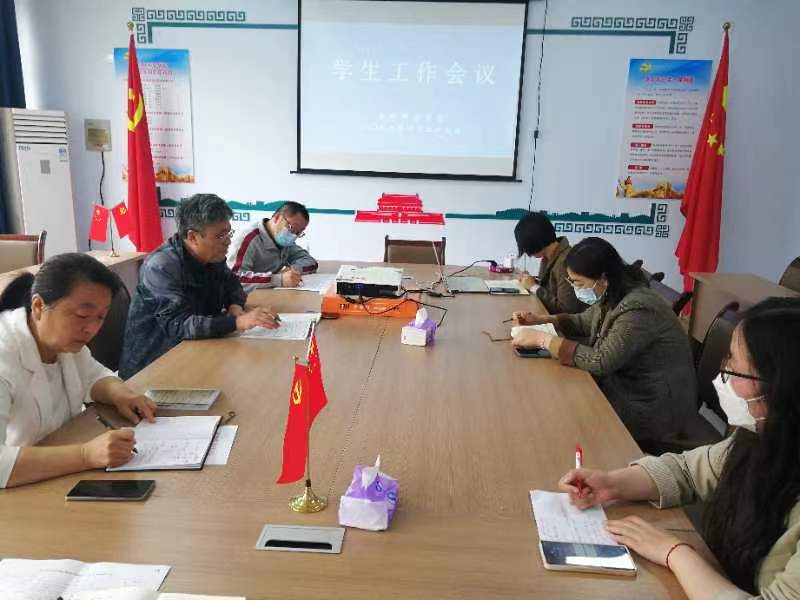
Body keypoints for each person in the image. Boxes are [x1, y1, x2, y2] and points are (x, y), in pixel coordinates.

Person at [557, 298, 800, 600]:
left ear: (781, 389)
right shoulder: (765, 437)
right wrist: (611, 484)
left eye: (735, 369)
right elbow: (686, 470)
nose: (724, 375)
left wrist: (674, 552)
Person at [512, 237, 695, 447]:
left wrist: (543, 340)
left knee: (562, 417)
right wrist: (541, 320)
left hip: (653, 408)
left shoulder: (638, 308)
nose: (575, 288)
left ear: (603, 279)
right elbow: (583, 321)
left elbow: (601, 361)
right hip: (627, 388)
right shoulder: (614, 292)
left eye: (578, 283)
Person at [0, 253, 157, 488]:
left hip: (54, 476)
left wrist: (122, 395)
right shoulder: (5, 352)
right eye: (82, 315)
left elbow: (95, 376)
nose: (91, 329)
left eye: (100, 317)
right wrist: (85, 455)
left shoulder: (62, 342)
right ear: (38, 306)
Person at [118, 193, 279, 379]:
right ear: (193, 237)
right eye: (220, 235)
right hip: (153, 367)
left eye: (229, 232)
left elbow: (232, 285)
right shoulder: (161, 267)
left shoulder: (211, 256)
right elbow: (179, 325)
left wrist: (235, 305)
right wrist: (236, 323)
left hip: (196, 351)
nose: (228, 240)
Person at [227, 201, 318, 292]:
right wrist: (278, 279)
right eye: (291, 228)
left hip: (271, 295)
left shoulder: (286, 241)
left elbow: (312, 262)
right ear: (277, 218)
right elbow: (233, 279)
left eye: (298, 233)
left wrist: (293, 269)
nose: (294, 236)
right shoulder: (248, 239)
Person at [514, 212, 585, 314]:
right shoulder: (547, 256)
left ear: (534, 242)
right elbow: (550, 289)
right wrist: (531, 282)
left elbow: (566, 309)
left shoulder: (565, 262)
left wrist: (533, 287)